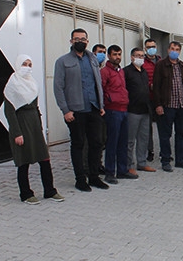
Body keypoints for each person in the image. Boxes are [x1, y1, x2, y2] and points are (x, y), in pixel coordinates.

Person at [54, 28, 109, 191]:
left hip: (93, 108)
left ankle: (94, 177)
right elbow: (58, 87)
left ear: (87, 41)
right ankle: (80, 179)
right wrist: (65, 110)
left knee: (97, 143)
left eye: (83, 39)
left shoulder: (92, 59)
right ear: (71, 41)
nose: (80, 41)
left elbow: (97, 82)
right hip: (75, 111)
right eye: (76, 39)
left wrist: (101, 105)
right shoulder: (62, 61)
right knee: (78, 145)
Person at [4, 54, 64, 204]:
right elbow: (9, 112)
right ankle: (26, 194)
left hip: (34, 125)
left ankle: (50, 190)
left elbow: (36, 107)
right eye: (24, 64)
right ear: (18, 65)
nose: (27, 67)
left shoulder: (32, 83)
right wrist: (17, 133)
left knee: (44, 158)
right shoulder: (12, 85)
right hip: (21, 124)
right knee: (24, 160)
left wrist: (40, 127)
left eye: (30, 64)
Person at [153, 41, 183, 171]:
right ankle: (165, 160)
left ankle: (180, 160)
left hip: (181, 105)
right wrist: (158, 104)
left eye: (177, 49)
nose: (174, 51)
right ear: (168, 50)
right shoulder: (161, 65)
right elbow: (156, 86)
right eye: (172, 48)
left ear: (180, 51)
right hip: (167, 105)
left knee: (181, 133)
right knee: (165, 134)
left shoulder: (182, 65)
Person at [101, 45, 136, 184]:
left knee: (123, 142)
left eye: (119, 54)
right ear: (109, 56)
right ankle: (110, 172)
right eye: (115, 54)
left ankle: (122, 170)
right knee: (112, 143)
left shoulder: (120, 71)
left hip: (123, 109)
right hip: (112, 110)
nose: (118, 57)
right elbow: (102, 90)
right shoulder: (105, 72)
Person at [124, 47, 156, 174]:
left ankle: (142, 163)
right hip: (132, 110)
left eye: (142, 56)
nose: (140, 58)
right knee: (130, 140)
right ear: (132, 57)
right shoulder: (126, 72)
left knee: (143, 139)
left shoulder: (143, 72)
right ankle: (128, 165)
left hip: (145, 110)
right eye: (138, 55)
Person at [143, 38, 161, 162]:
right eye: (149, 47)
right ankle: (150, 151)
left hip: (160, 99)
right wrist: (150, 85)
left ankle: (164, 152)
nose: (151, 49)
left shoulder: (161, 62)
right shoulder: (142, 63)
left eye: (153, 46)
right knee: (147, 127)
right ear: (145, 49)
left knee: (163, 127)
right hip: (147, 99)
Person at [90, 43, 107, 174]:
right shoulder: (90, 67)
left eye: (104, 52)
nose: (102, 54)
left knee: (101, 139)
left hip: (102, 108)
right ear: (94, 53)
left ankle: (98, 164)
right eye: (100, 52)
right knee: (90, 140)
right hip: (91, 109)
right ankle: (88, 167)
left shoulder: (103, 69)